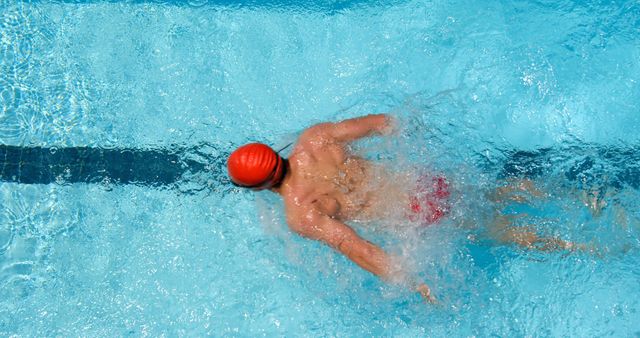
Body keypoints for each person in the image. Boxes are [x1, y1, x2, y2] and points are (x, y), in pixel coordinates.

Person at [227, 114, 439, 302]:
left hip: (416, 219)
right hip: (425, 183)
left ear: (258, 188)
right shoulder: (315, 138)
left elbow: (359, 250)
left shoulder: (302, 213)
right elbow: (385, 123)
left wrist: (413, 283)